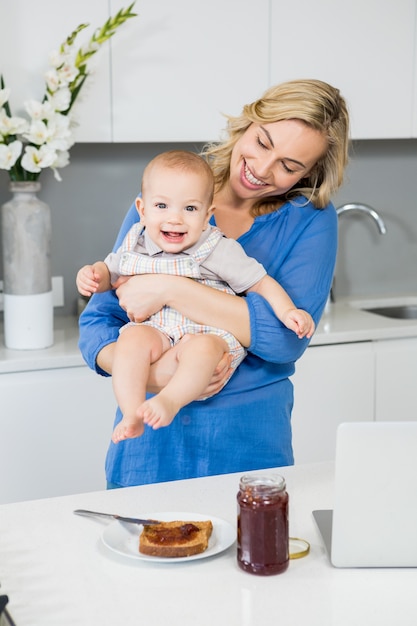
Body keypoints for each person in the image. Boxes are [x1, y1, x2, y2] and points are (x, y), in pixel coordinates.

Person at [79, 78, 350, 488]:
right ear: (246, 123)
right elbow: (97, 326)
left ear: (311, 173)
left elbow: (283, 340)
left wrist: (172, 290)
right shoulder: (168, 198)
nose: (262, 168)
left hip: (248, 440)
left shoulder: (310, 218)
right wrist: (160, 375)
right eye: (262, 142)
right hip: (149, 438)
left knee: (252, 547)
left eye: (290, 166)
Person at [76, 150, 314, 443]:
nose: (175, 219)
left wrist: (289, 311)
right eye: (161, 205)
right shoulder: (135, 242)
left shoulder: (216, 248)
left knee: (202, 351)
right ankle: (131, 413)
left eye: (189, 209)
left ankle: (170, 401)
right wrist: (93, 274)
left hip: (206, 331)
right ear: (142, 209)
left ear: (207, 216)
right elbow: (109, 271)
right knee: (131, 340)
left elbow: (260, 283)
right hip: (157, 331)